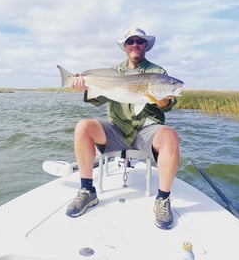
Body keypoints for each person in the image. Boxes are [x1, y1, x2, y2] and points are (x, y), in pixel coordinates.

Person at [66, 27, 180, 230]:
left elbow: (166, 105)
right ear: (125, 47)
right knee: (83, 127)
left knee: (170, 135)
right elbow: (96, 99)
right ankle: (86, 191)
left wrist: (161, 98)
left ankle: (162, 199)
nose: (135, 44)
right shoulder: (113, 72)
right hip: (117, 129)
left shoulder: (159, 74)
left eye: (139, 41)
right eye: (131, 41)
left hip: (147, 131)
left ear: (146, 45)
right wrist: (82, 86)